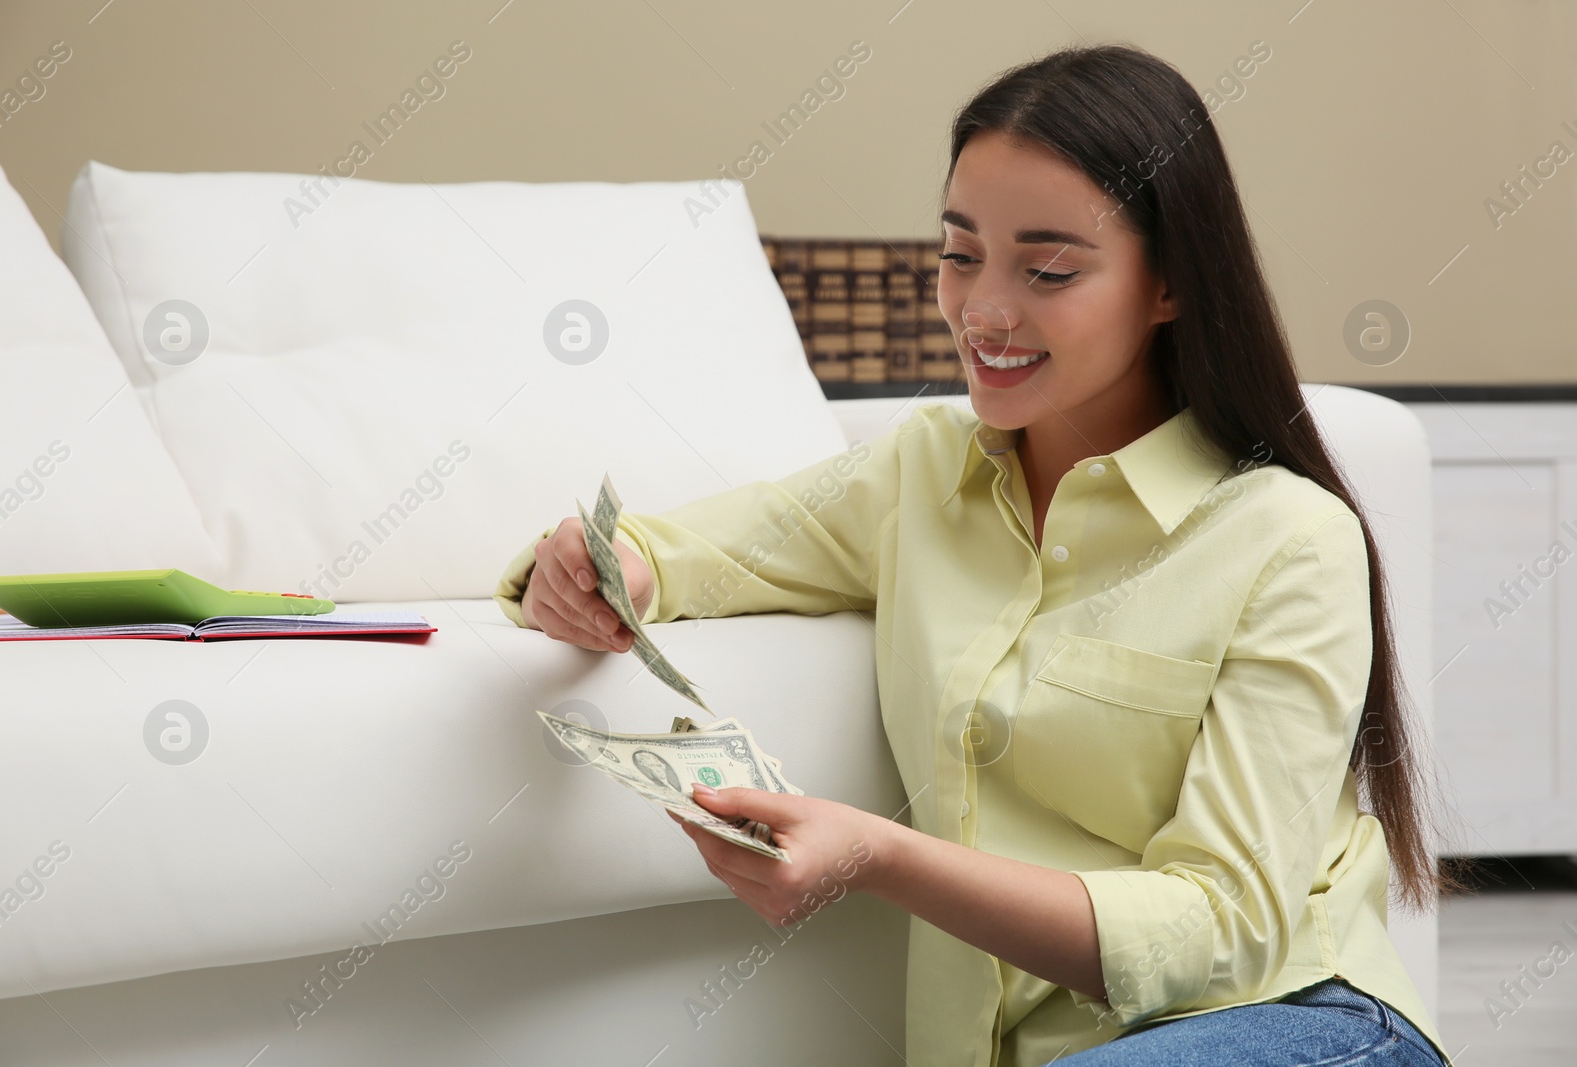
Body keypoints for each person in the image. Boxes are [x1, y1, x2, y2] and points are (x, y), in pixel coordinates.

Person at [495, 44, 1459, 1066]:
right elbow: (675, 550)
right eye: (960, 255)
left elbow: (1220, 929)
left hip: (1295, 1022)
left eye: (1046, 269)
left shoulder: (1288, 539)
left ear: (1170, 282)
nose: (984, 310)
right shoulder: (914, 477)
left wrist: (876, 852)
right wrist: (602, 574)